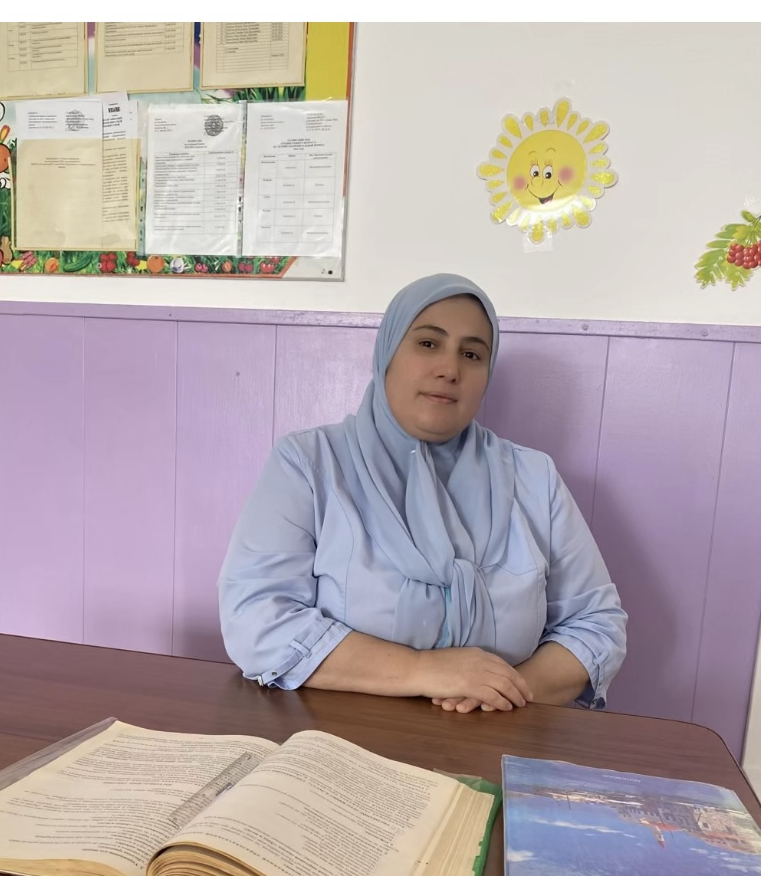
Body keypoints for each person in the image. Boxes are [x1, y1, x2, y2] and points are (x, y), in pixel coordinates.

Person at [219, 273, 627, 713]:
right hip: (338, 736)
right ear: (387, 353)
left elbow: (597, 625)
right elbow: (255, 617)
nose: (450, 369)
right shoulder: (311, 464)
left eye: (471, 354)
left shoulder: (534, 478)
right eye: (428, 343)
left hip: (497, 734)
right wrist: (423, 670)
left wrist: (496, 691)